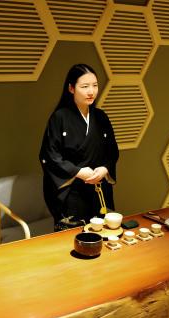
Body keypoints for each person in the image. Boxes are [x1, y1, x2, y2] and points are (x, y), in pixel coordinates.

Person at [39, 64, 119, 230]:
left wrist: (105, 169)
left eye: (95, 85)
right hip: (72, 192)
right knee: (75, 237)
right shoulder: (59, 118)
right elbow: (49, 155)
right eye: (85, 86)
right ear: (71, 88)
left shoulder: (101, 117)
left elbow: (112, 151)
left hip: (99, 188)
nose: (91, 91)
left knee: (104, 232)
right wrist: (78, 172)